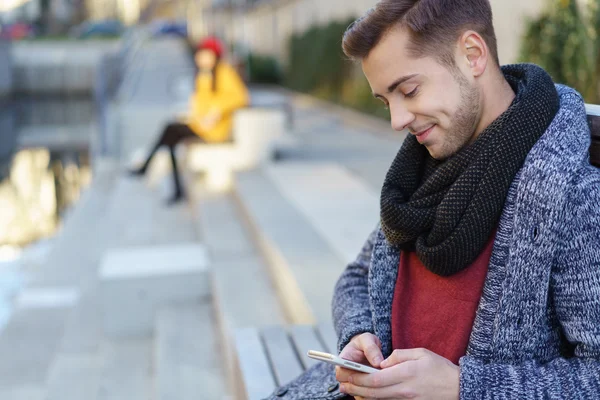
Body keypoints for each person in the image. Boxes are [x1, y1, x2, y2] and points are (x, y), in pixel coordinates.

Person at [266, 0, 600, 399]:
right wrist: (359, 334)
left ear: (472, 55)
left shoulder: (571, 196)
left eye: (408, 90)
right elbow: (356, 276)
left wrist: (465, 388)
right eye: (385, 101)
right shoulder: (421, 174)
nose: (397, 121)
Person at [129, 36, 249, 204]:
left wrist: (217, 110)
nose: (200, 58)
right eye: (199, 55)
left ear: (214, 56)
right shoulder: (203, 75)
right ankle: (174, 187)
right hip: (200, 127)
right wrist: (191, 116)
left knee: (170, 132)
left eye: (204, 55)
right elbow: (199, 106)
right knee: (170, 137)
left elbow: (240, 97)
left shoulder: (223, 72)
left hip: (214, 131)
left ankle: (148, 170)